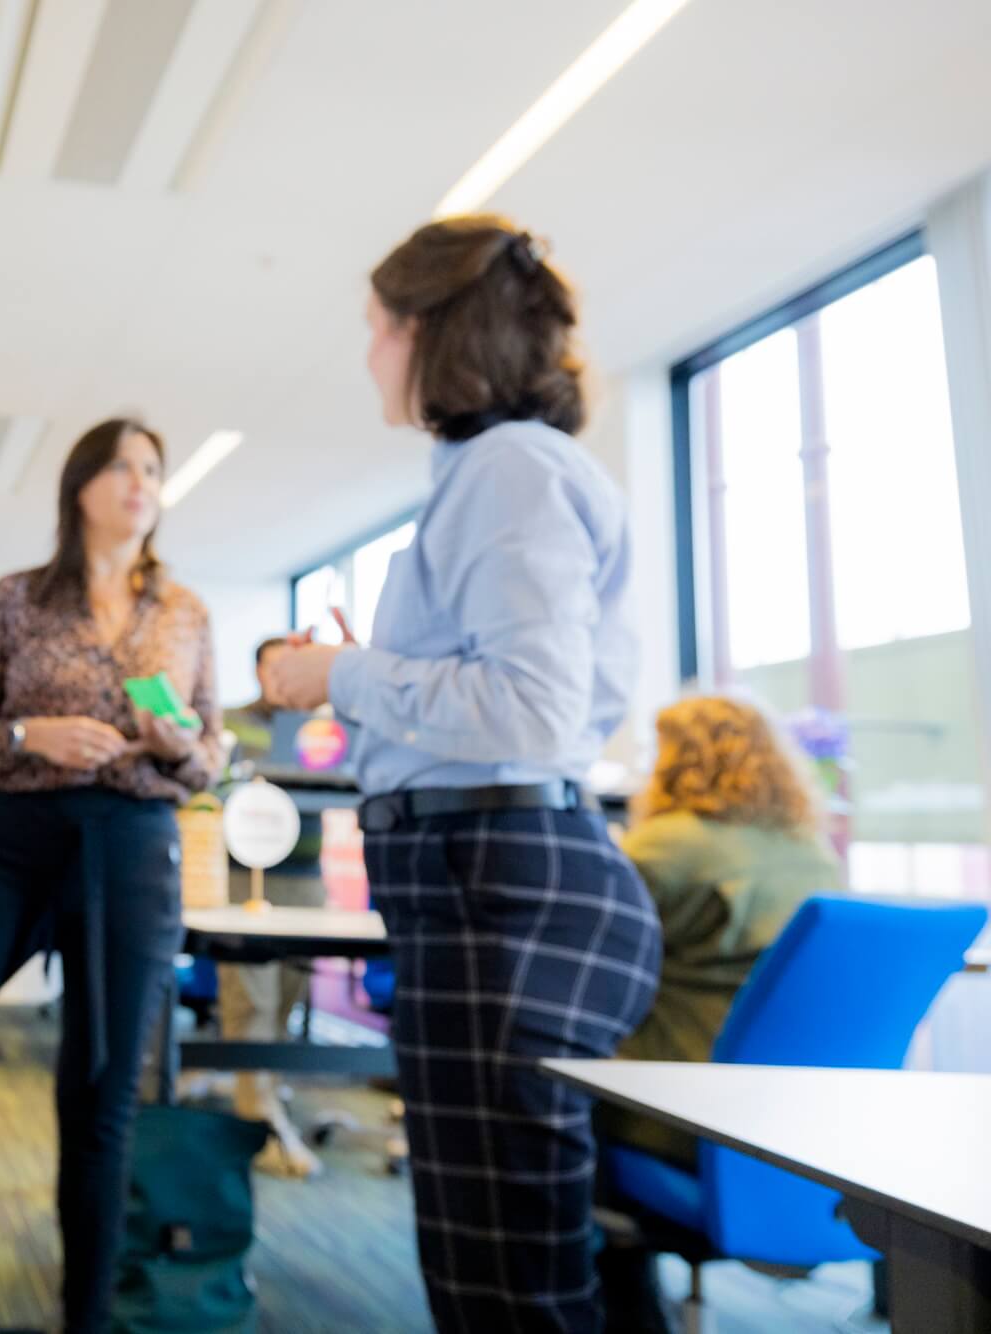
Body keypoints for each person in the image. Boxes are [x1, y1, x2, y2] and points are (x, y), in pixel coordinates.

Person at [264, 215, 663, 1333]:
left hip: (499, 889)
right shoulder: (498, 471)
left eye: (376, 328)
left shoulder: (503, 469)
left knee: (503, 1286)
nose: (367, 355)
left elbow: (527, 711)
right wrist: (363, 673)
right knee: (498, 1261)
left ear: (428, 331)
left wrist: (342, 671)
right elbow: (514, 691)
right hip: (485, 881)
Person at [0, 417, 224, 1334]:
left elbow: (211, 755)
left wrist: (183, 745)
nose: (140, 482)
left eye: (154, 467)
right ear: (80, 486)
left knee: (101, 1093)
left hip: (137, 843)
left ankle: (87, 1323)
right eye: (120, 466)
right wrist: (34, 735)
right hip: (18, 835)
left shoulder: (185, 612)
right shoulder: (21, 598)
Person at [594, 695, 844, 1328]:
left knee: (545, 1105)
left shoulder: (661, 848)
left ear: (678, 761)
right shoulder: (811, 853)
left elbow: (592, 958)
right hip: (802, 1125)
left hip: (673, 1114)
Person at [218, 635, 327, 1178]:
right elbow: (215, 783)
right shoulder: (231, 722)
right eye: (275, 666)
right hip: (245, 877)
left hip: (307, 879)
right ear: (258, 671)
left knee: (287, 995)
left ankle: (260, 1090)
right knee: (250, 999)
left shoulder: (323, 727)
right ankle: (258, 1119)